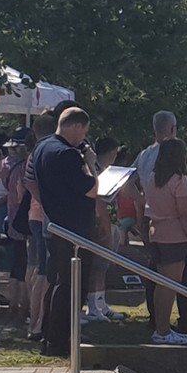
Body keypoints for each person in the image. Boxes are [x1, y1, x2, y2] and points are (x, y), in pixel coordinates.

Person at [31, 107, 98, 356]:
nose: (84, 137)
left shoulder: (42, 146)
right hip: (74, 230)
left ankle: (48, 335)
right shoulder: (68, 155)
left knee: (56, 283)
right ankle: (59, 341)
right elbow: (92, 189)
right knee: (72, 287)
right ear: (77, 126)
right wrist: (90, 164)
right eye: (84, 132)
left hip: (54, 226)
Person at [133, 111, 187, 334]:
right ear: (172, 129)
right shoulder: (178, 180)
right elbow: (184, 214)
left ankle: (156, 321)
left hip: (154, 224)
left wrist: (143, 206)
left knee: (156, 279)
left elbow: (130, 183)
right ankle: (169, 327)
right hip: (175, 233)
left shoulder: (147, 162)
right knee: (175, 282)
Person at [23, 112, 57, 340]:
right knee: (43, 273)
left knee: (36, 269)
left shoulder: (34, 153)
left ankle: (34, 319)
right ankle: (37, 322)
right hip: (43, 216)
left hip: (35, 216)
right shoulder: (45, 152)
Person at [84, 138, 124, 323]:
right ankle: (93, 306)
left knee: (104, 267)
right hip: (100, 223)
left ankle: (101, 304)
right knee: (97, 266)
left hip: (111, 221)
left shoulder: (106, 170)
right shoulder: (93, 170)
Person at [1, 127, 34, 322]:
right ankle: (24, 305)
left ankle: (13, 302)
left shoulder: (6, 164)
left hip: (12, 216)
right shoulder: (24, 167)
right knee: (26, 262)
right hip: (25, 217)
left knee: (16, 261)